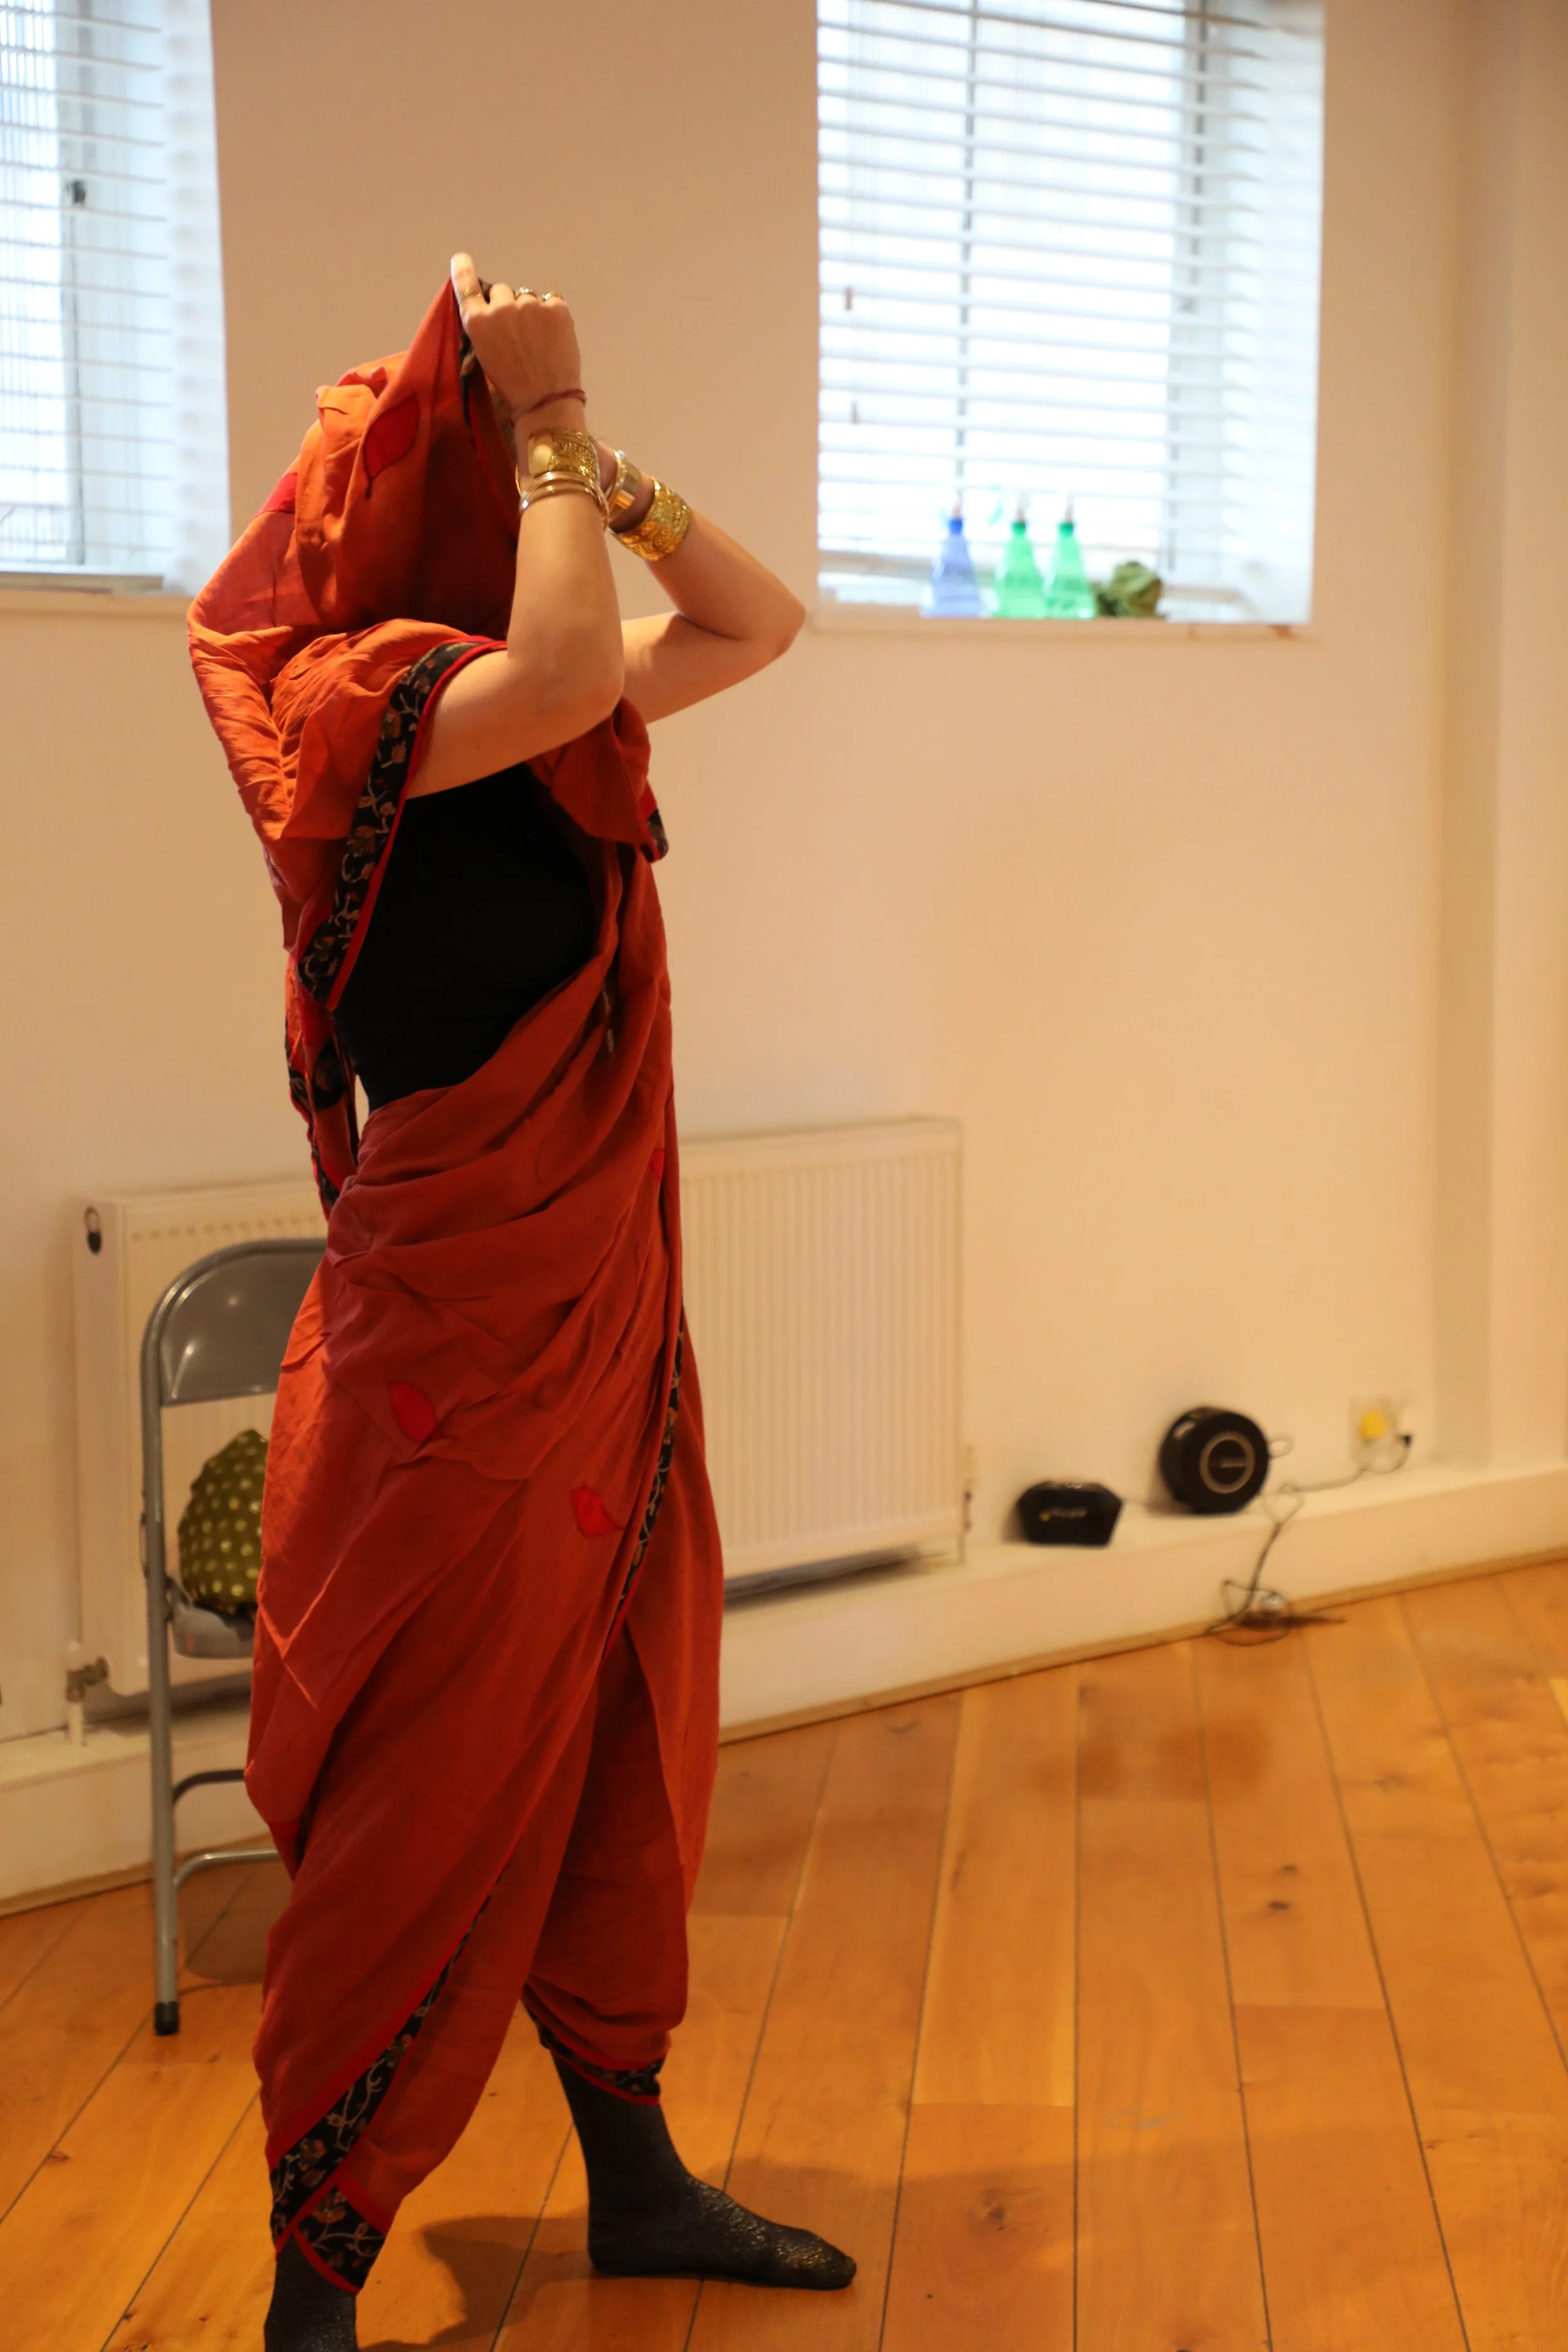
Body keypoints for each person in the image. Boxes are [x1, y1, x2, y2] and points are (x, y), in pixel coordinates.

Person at [189, 255, 852, 2352]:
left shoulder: (525, 688)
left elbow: (756, 623)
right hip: (452, 1352)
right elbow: (572, 671)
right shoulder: (337, 703)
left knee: (611, 1751)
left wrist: (602, 460)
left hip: (596, 1324)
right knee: (421, 1795)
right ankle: (319, 2275)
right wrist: (546, 403)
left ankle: (633, 2168)